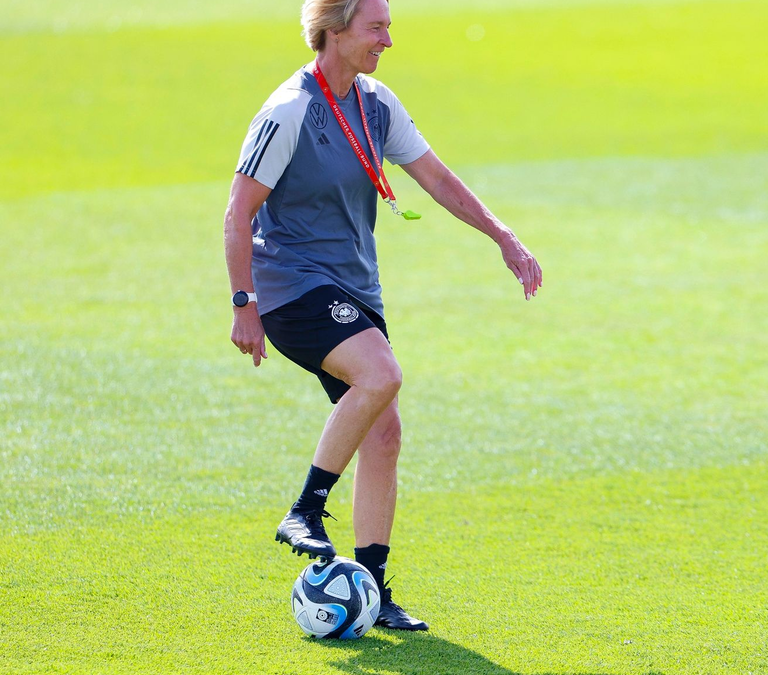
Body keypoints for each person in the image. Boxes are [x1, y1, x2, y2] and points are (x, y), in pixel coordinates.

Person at [223, 0, 542, 632]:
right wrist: (243, 302)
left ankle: (370, 585)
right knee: (381, 374)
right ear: (335, 32)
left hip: (354, 289)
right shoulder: (289, 111)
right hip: (291, 288)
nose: (388, 40)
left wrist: (501, 235)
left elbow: (437, 179)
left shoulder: (376, 103)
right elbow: (238, 212)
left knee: (386, 433)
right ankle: (306, 509)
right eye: (377, 27)